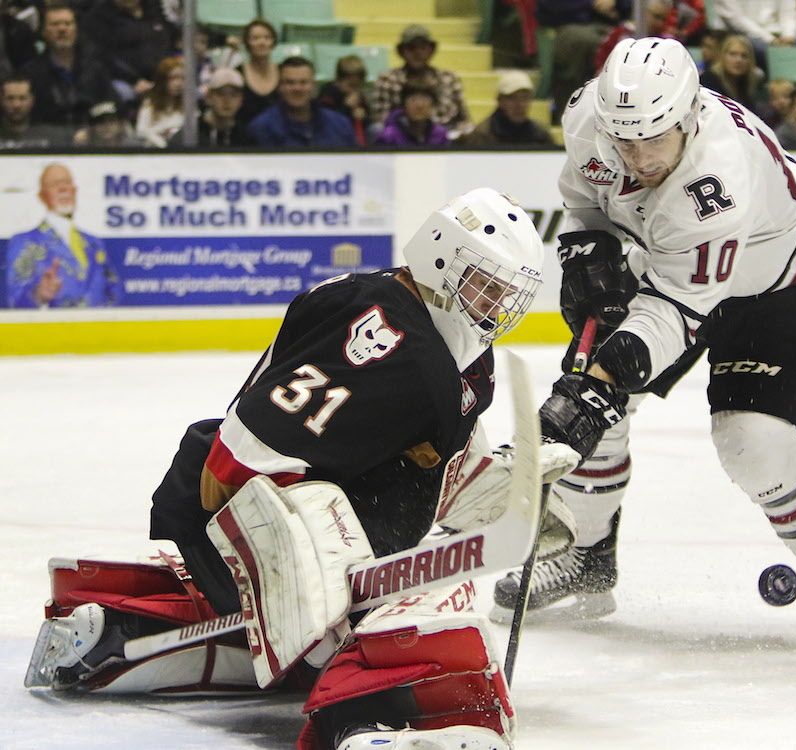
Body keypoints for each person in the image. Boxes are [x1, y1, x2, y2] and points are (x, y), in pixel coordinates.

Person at [24, 188, 575, 750]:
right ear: (441, 254)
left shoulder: (448, 345)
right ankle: (372, 720)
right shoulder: (381, 331)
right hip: (245, 531)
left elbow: (435, 464)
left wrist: (503, 487)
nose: (497, 305)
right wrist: (296, 569)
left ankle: (119, 635)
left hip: (308, 529)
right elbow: (237, 459)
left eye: (507, 293)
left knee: (395, 597)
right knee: (430, 603)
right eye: (485, 284)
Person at [492, 37, 796, 657]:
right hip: (672, 267)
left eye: (652, 139)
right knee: (596, 408)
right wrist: (586, 248)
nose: (635, 158)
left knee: (752, 443)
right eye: (622, 140)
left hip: (774, 285)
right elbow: (583, 202)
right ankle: (587, 558)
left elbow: (675, 312)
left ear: (689, 115)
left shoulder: (718, 178)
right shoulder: (590, 119)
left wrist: (599, 384)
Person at [6, 162, 121, 308]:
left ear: (74, 190)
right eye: (54, 184)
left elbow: (114, 289)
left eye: (67, 182)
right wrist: (38, 295)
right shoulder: (25, 242)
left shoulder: (94, 243)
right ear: (42, 196)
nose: (63, 188)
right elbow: (15, 300)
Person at [19, 1, 116, 128]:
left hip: (92, 140)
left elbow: (111, 106)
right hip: (48, 142)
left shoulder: (95, 68)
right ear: (43, 31)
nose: (62, 29)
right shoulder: (31, 73)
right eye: (55, 24)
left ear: (76, 29)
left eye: (68, 23)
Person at [371, 24, 471, 135]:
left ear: (431, 50)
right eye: (411, 48)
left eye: (423, 47)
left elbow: (464, 118)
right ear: (401, 51)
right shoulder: (387, 80)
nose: (418, 53)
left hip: (445, 137)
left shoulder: (449, 79)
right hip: (402, 138)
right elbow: (381, 118)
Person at [81, 0, 176, 106]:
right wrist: (134, 81)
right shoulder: (98, 17)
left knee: (190, 90)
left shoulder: (155, 10)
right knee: (123, 93)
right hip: (122, 80)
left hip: (162, 76)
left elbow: (170, 44)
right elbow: (103, 56)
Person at [248, 56, 356, 147]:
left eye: (303, 82)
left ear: (314, 86)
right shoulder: (261, 128)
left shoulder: (340, 125)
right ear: (279, 87)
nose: (297, 88)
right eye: (290, 83)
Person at [459, 70, 554, 147]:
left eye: (525, 98)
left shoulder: (540, 135)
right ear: (500, 101)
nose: (520, 105)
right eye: (512, 98)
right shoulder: (483, 135)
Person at [169, 67, 255, 147]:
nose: (227, 100)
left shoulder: (247, 138)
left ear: (241, 100)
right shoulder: (190, 136)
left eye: (234, 95)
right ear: (208, 97)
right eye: (220, 93)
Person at [713, 0, 796, 73]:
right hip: (745, 34)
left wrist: (788, 35)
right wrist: (771, 40)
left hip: (780, 35)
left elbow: (789, 14)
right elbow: (736, 19)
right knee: (766, 51)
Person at [699, 34, 766, 116]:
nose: (738, 60)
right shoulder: (708, 80)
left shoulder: (748, 84)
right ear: (722, 56)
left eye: (744, 56)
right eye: (733, 54)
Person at [0, 73, 71, 147]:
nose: (16, 105)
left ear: (32, 100)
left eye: (22, 98)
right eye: (10, 98)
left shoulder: (53, 135)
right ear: (1, 100)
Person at [316, 54, 372, 145]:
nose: (354, 89)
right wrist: (346, 107)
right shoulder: (328, 92)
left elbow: (368, 121)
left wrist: (364, 116)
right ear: (339, 80)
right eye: (350, 85)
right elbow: (325, 121)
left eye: (358, 85)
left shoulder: (359, 94)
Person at [374, 80, 449, 146]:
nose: (419, 105)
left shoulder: (440, 134)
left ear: (433, 105)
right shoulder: (389, 136)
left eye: (425, 99)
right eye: (413, 100)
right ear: (404, 105)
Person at [235, 18, 279, 126]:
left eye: (267, 38)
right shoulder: (237, 73)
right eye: (255, 38)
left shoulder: (283, 72)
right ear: (247, 42)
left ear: (273, 41)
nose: (262, 42)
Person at [134, 55, 183, 147]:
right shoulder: (150, 104)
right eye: (173, 78)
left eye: (182, 78)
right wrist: (162, 144)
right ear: (162, 80)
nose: (178, 83)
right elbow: (141, 131)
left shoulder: (188, 106)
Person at [72, 99, 146, 146]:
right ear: (93, 126)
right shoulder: (86, 145)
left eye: (111, 121)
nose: (106, 126)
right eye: (100, 122)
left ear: (121, 123)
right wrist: (79, 145)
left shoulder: (134, 146)